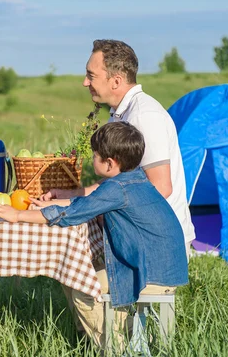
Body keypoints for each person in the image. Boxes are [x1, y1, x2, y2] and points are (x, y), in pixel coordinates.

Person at [0, 122, 189, 351]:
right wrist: (50, 204)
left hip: (148, 273)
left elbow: (71, 214)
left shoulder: (116, 189)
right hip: (166, 268)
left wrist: (17, 216)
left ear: (110, 163)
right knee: (78, 274)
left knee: (81, 286)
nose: (92, 159)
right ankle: (119, 337)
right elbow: (84, 205)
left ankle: (118, 354)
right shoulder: (135, 178)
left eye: (95, 155)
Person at [41, 39, 195, 257]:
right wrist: (72, 195)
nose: (85, 82)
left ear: (116, 81)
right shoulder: (121, 113)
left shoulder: (144, 116)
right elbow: (118, 184)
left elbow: (161, 187)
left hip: (157, 243)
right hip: (138, 234)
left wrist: (87, 206)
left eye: (91, 75)